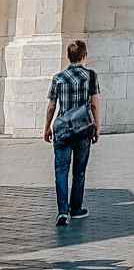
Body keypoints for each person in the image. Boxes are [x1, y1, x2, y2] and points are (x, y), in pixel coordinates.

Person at [44, 38, 101, 227]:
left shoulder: (58, 77)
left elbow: (52, 106)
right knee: (79, 171)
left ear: (68, 56)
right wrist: (97, 127)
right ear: (84, 56)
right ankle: (76, 208)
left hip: (62, 128)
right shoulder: (91, 76)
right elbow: (94, 104)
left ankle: (62, 211)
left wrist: (47, 127)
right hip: (83, 128)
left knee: (61, 171)